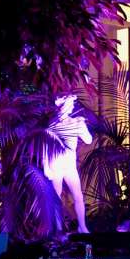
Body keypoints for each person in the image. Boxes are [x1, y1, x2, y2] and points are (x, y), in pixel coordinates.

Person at [43, 95, 92, 234]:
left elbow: (88, 140)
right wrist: (46, 167)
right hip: (56, 165)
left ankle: (82, 226)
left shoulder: (76, 122)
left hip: (69, 165)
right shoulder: (52, 124)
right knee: (56, 198)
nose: (71, 107)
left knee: (78, 196)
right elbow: (45, 147)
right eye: (70, 105)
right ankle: (58, 228)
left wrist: (83, 127)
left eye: (72, 105)